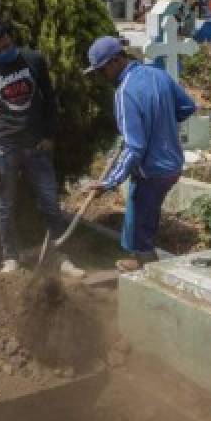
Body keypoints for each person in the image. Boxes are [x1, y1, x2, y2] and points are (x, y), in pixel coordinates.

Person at [0, 17, 83, 277]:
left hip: (36, 146)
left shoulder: (34, 60)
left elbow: (50, 99)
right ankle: (11, 258)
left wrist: (49, 134)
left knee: (49, 202)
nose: (2, 52)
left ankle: (60, 256)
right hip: (4, 148)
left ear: (13, 39)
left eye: (6, 46)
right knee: (5, 205)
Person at [85, 36, 196, 271]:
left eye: (101, 70)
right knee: (144, 216)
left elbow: (135, 147)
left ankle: (149, 278)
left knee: (138, 231)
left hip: (151, 171)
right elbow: (187, 107)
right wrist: (162, 123)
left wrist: (109, 183)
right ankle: (140, 263)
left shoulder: (124, 92)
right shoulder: (158, 74)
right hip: (172, 165)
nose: (101, 77)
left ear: (115, 61)